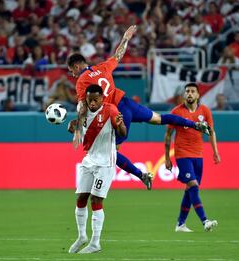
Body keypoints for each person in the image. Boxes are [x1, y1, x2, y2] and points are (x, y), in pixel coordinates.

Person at [67, 25, 211, 190]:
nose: (72, 74)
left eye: (72, 71)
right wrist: (125, 38)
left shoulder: (82, 81)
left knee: (111, 152)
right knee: (159, 119)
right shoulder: (103, 67)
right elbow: (118, 55)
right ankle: (196, 125)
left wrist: (78, 127)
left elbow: (82, 106)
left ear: (77, 66)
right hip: (127, 104)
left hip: (116, 113)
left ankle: (142, 175)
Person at [68, 84, 127, 254]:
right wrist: (73, 127)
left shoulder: (111, 110)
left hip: (105, 162)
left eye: (96, 99)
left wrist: (120, 124)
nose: (92, 102)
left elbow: (122, 133)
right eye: (89, 99)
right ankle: (81, 236)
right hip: (89, 160)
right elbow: (78, 130)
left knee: (96, 200)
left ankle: (95, 242)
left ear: (102, 98)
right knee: (80, 198)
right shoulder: (83, 111)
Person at [165, 82, 220, 232]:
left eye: (192, 91)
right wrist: (167, 157)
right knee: (193, 186)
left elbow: (211, 132)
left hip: (198, 155)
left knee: (190, 189)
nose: (189, 93)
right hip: (182, 154)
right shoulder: (176, 112)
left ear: (198, 95)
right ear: (184, 94)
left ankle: (180, 224)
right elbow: (168, 135)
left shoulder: (205, 111)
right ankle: (204, 221)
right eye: (187, 91)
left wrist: (215, 151)